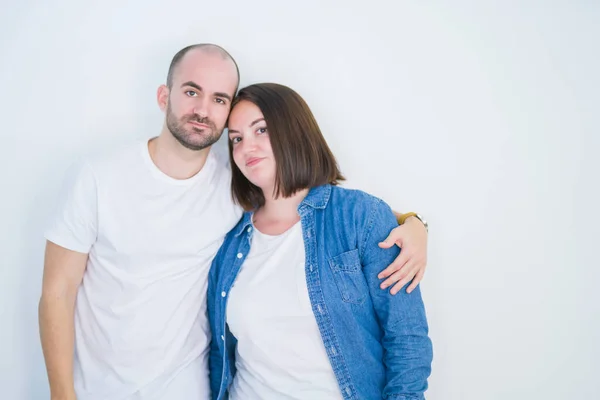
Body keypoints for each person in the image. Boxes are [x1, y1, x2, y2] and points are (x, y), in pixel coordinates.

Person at [39, 44, 430, 400]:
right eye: (192, 92)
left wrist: (413, 224)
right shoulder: (106, 179)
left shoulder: (249, 187)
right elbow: (57, 291)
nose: (203, 109)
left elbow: (405, 338)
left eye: (219, 99)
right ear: (164, 96)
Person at [208, 83, 433, 400]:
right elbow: (221, 356)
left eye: (261, 130)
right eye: (236, 139)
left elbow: (406, 338)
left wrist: (415, 221)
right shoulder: (231, 241)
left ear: (294, 131)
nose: (246, 148)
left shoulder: (359, 216)